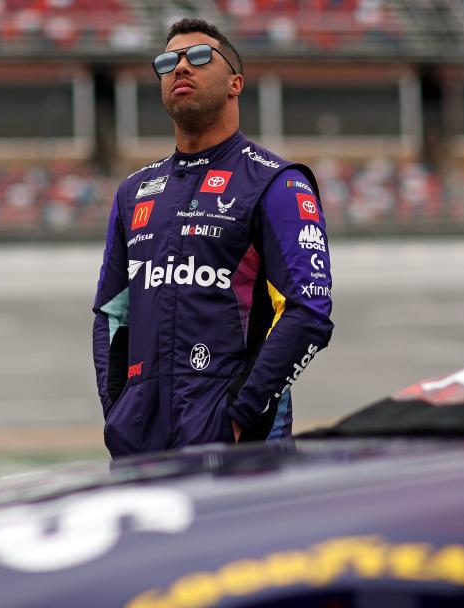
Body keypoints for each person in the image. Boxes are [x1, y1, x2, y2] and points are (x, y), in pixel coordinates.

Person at [92, 18, 333, 458]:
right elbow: (111, 316)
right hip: (141, 448)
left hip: (240, 451)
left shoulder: (276, 182)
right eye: (168, 61)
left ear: (235, 83)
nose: (181, 66)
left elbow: (309, 312)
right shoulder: (134, 192)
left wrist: (241, 416)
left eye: (199, 56)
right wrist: (118, 412)